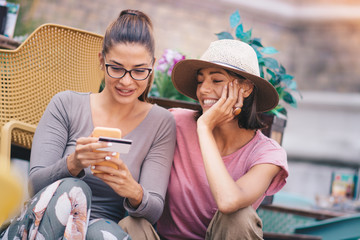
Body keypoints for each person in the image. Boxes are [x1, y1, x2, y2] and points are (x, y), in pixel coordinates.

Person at [0, 9, 175, 240]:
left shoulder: (161, 123)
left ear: (152, 66)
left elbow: (153, 211)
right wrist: (73, 163)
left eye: (139, 71)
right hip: (40, 226)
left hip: (99, 229)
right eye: (117, 68)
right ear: (102, 61)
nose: (126, 81)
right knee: (75, 189)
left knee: (107, 235)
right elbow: (34, 186)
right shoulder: (66, 104)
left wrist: (133, 189)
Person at [157, 39, 289, 239]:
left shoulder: (268, 154)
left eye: (216, 80)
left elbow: (228, 202)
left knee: (239, 216)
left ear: (245, 88)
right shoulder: (175, 122)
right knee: (131, 223)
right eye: (200, 81)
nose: (203, 90)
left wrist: (204, 128)